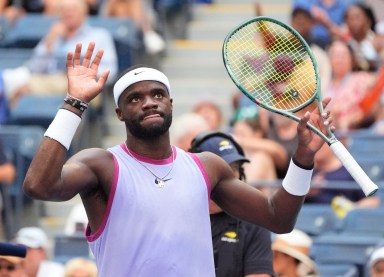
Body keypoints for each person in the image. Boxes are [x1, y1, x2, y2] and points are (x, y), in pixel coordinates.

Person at [22, 41, 334, 276]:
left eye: (157, 94)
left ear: (170, 103)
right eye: (135, 98)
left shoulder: (207, 166)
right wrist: (74, 103)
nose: (148, 103)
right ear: (119, 113)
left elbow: (277, 218)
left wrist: (303, 157)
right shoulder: (100, 164)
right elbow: (39, 186)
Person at [189, 131, 274, 277]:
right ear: (196, 172)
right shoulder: (175, 214)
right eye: (221, 168)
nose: (229, 176)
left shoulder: (255, 221)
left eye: (234, 169)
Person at [10, 0, 118, 106]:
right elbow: (33, 68)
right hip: (51, 81)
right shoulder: (53, 36)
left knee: (74, 92)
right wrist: (49, 41)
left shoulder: (99, 35)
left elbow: (110, 71)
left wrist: (85, 72)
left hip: (83, 83)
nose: (68, 13)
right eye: (64, 10)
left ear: (84, 12)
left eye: (73, 9)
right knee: (20, 90)